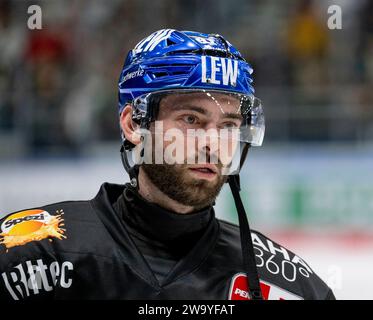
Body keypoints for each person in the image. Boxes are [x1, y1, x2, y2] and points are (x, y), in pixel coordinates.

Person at [0, 29, 335, 300]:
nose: (213, 143)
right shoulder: (36, 253)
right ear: (134, 124)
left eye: (229, 126)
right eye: (191, 119)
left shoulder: (288, 286)